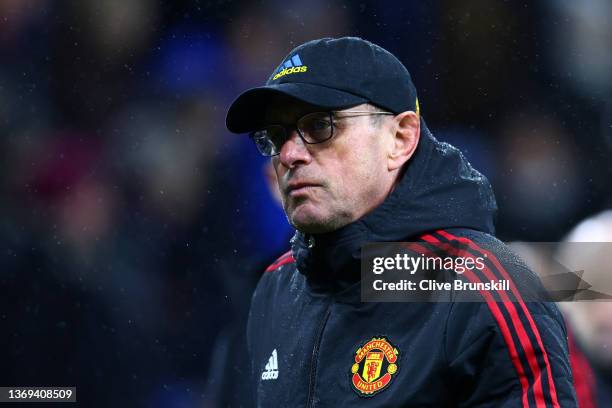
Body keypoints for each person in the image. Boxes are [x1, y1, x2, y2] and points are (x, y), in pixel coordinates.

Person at [225, 37, 577, 407]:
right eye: (278, 137)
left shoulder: (483, 285)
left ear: (401, 138)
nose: (290, 154)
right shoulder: (275, 287)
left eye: (320, 126)